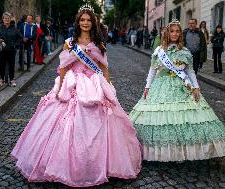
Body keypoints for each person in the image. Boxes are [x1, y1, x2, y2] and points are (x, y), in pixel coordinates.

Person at [11, 4, 142, 187]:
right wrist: (59, 89)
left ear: (93, 22)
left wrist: (109, 86)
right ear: (78, 22)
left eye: (88, 20)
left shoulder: (99, 44)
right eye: (82, 20)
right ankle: (62, 166)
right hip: (74, 85)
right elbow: (64, 67)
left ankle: (101, 165)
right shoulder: (69, 43)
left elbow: (104, 68)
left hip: (94, 87)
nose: (85, 23)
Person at [130, 19, 225, 162]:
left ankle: (183, 150)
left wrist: (196, 87)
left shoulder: (185, 52)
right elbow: (152, 71)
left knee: (185, 119)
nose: (174, 34)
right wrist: (147, 87)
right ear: (167, 32)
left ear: (181, 34)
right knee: (163, 119)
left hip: (182, 86)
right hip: (161, 87)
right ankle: (161, 151)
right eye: (172, 31)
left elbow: (190, 72)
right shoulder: (159, 51)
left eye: (177, 31)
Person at [0, 12, 22, 87]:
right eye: (5, 18)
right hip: (2, 50)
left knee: (11, 65)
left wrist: (15, 45)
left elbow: (20, 37)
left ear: (10, 19)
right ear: (3, 19)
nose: (6, 20)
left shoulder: (14, 28)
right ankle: (1, 79)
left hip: (11, 50)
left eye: (8, 18)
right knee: (1, 65)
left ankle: (11, 79)